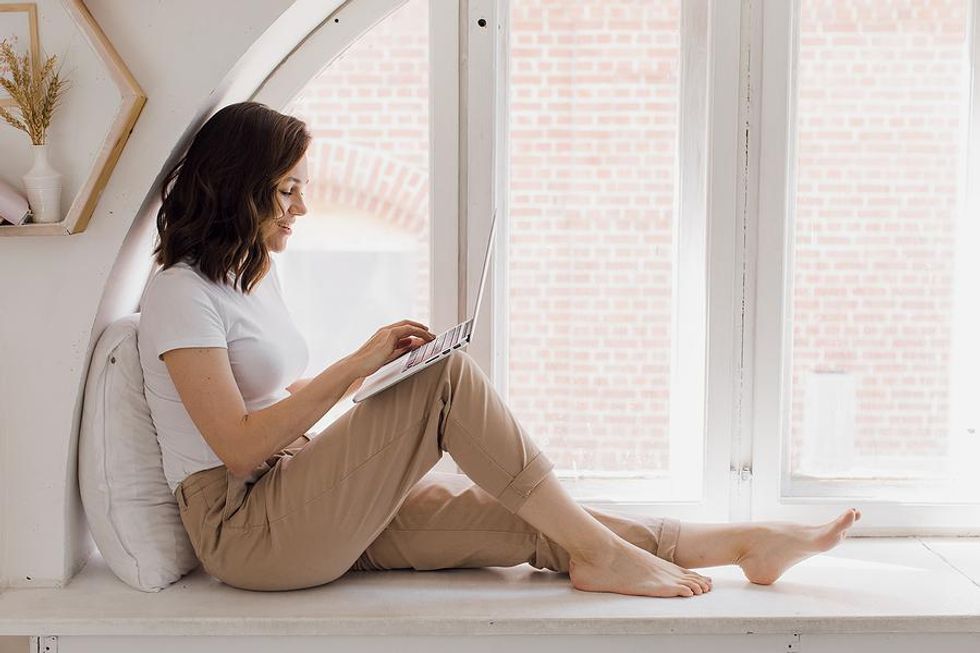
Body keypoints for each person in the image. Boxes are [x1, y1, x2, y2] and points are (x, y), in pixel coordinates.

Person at [137, 100, 862, 597]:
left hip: (301, 495)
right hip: (249, 528)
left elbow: (277, 404)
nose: (301, 206)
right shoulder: (178, 293)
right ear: (239, 188)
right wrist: (359, 365)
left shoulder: (249, 277)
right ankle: (611, 557)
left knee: (527, 515)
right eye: (287, 188)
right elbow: (235, 446)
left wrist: (373, 398)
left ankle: (742, 543)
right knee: (446, 377)